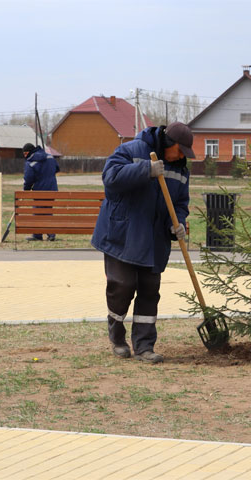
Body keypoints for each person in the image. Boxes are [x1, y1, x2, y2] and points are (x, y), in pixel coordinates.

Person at [91, 122, 194, 363]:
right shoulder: (132, 150)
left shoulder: (180, 170)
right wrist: (146, 170)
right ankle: (117, 338)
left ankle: (144, 346)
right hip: (123, 234)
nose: (181, 157)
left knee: (150, 291)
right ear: (169, 144)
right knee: (122, 286)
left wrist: (176, 223)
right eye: (180, 150)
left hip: (155, 240)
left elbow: (180, 203)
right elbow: (111, 178)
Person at [22, 143, 60, 241]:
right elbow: (57, 168)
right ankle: (51, 234)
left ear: (30, 151)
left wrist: (26, 189)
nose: (25, 156)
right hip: (52, 189)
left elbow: (29, 179)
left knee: (37, 212)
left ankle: (37, 235)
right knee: (48, 211)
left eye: (26, 153)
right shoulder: (50, 157)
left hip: (39, 190)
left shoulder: (30, 162)